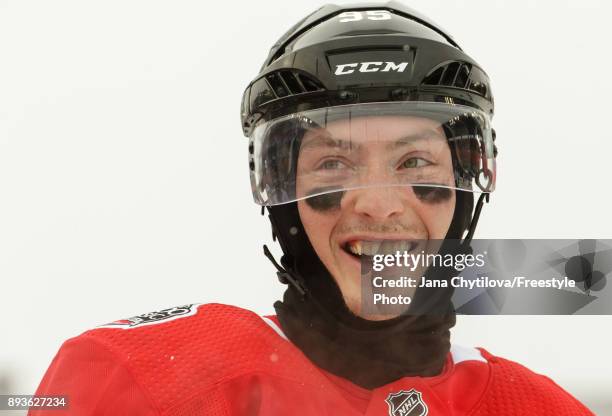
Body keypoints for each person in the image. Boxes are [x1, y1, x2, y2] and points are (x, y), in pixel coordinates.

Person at [30, 2, 593, 415]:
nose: (376, 205)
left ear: (466, 186)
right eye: (333, 165)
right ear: (281, 195)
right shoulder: (138, 385)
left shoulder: (541, 409)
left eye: (414, 162)